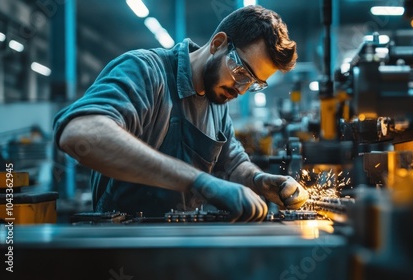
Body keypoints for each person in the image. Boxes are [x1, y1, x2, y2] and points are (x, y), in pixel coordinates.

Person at [53, 5, 308, 222]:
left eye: (253, 84)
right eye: (241, 72)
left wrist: (260, 180)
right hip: (123, 245)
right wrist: (199, 181)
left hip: (181, 245)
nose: (241, 90)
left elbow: (233, 165)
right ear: (218, 44)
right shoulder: (146, 71)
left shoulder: (216, 102)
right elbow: (78, 134)